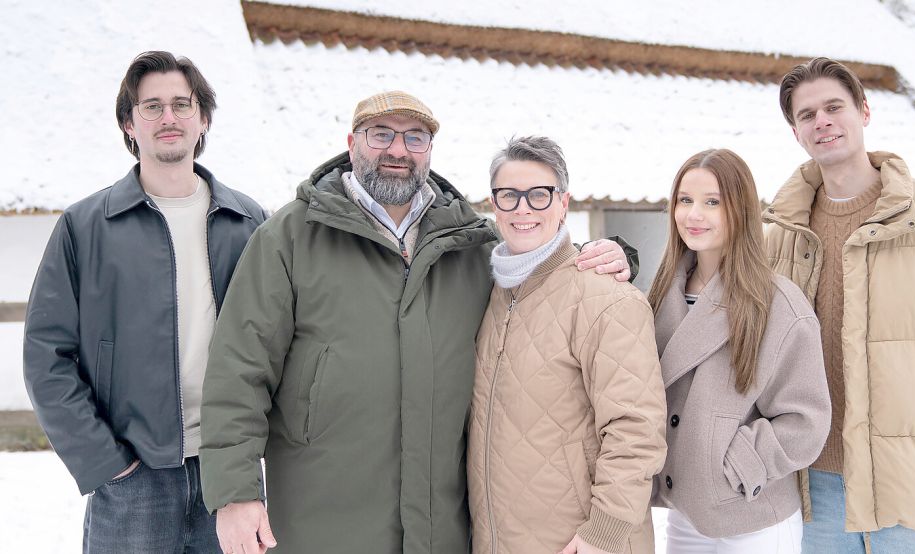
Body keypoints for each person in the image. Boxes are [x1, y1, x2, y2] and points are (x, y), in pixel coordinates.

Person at [198, 91, 634, 553]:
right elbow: (238, 370)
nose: (398, 150)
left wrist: (611, 255)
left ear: (430, 149)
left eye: (415, 137)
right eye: (381, 134)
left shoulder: (469, 244)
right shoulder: (289, 238)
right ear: (352, 143)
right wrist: (235, 493)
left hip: (440, 524)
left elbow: (541, 276)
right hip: (321, 516)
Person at [22, 51, 266, 553]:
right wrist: (107, 463)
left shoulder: (250, 223)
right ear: (130, 124)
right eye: (151, 106)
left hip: (230, 475)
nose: (169, 117)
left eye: (182, 103)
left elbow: (281, 344)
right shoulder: (85, 227)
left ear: (203, 118)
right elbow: (46, 356)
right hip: (131, 478)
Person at [766, 57, 915, 552]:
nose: (821, 121)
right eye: (806, 115)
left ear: (865, 111)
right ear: (796, 132)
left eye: (834, 107)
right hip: (813, 494)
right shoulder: (778, 238)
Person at [468, 136, 667, 554]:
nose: (523, 209)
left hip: (580, 542)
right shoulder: (489, 294)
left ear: (563, 203)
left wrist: (604, 533)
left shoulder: (607, 299)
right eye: (509, 195)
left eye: (539, 195)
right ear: (494, 205)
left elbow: (636, 429)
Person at [649, 149, 831, 553]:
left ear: (741, 208)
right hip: (686, 513)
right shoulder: (662, 294)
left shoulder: (778, 303)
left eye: (712, 202)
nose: (694, 215)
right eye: (685, 200)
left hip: (754, 513)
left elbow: (806, 420)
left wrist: (735, 464)